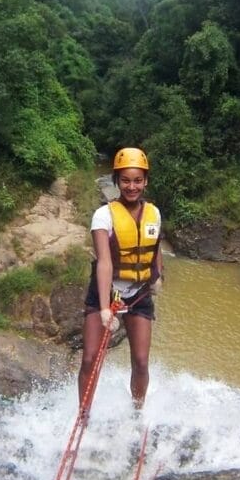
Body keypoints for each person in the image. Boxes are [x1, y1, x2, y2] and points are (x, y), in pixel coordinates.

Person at [78, 147, 163, 412]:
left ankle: (137, 410)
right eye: (125, 180)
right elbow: (104, 261)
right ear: (116, 181)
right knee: (91, 358)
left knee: (140, 361)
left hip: (138, 295)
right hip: (107, 293)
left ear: (146, 181)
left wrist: (158, 277)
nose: (132, 186)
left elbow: (155, 249)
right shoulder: (104, 215)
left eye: (137, 180)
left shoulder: (154, 213)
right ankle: (84, 413)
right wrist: (104, 308)